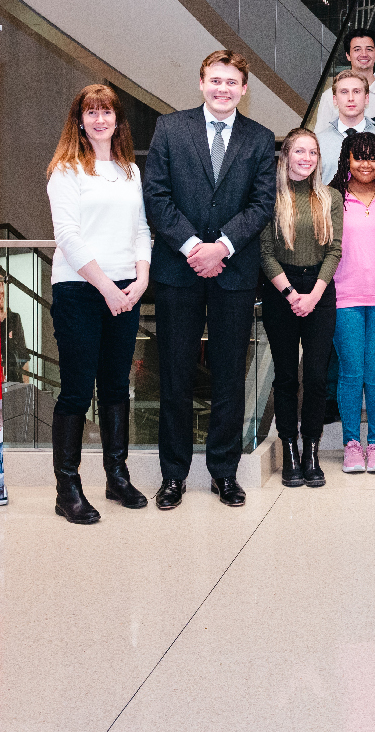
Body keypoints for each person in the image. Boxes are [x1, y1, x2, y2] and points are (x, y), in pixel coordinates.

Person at [143, 49, 276, 510]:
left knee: (228, 378)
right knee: (175, 375)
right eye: (215, 80)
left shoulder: (260, 138)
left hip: (234, 272)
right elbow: (156, 196)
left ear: (244, 89)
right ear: (202, 83)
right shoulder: (170, 128)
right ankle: (173, 476)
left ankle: (224, 472)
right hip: (178, 271)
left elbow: (262, 204)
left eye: (232, 82)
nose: (223, 89)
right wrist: (192, 248)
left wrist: (221, 247)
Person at [46, 82, 153, 523]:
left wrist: (142, 277)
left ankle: (116, 476)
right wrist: (106, 287)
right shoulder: (66, 170)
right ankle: (67, 489)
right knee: (75, 390)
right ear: (80, 119)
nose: (100, 119)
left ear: (117, 120)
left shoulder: (130, 169)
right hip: (79, 290)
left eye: (106, 111)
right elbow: (67, 236)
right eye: (91, 112)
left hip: (126, 290)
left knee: (114, 387)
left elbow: (142, 229)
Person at [259, 128, 343, 489]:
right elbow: (264, 253)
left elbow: (334, 250)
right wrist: (292, 294)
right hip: (282, 290)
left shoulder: (330, 197)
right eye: (299, 152)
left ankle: (312, 450)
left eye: (312, 153)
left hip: (321, 290)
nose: (306, 159)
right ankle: (289, 448)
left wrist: (313, 294)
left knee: (316, 377)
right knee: (286, 377)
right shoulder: (268, 198)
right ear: (286, 156)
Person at [330, 131, 375, 475]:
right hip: (344, 298)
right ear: (347, 159)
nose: (366, 164)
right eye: (359, 157)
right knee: (350, 373)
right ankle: (351, 445)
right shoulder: (332, 198)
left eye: (372, 157)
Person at [317, 69, 375, 187]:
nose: (351, 98)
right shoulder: (318, 143)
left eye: (357, 91)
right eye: (344, 92)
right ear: (335, 100)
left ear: (366, 98)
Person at [316, 29, 375, 126]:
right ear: (348, 55)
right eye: (357, 49)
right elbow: (321, 137)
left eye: (369, 49)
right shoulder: (330, 96)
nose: (364, 54)